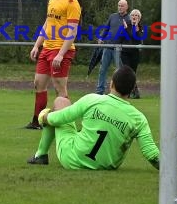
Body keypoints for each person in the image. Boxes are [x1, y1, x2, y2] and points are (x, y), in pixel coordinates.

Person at [27, 65, 160, 170]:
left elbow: (59, 119)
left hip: (73, 158)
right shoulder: (138, 118)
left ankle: (40, 155)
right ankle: (42, 154)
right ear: (132, 90)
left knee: (61, 101)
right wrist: (170, 167)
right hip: (106, 166)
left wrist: (44, 117)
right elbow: (151, 154)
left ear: (111, 84)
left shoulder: (92, 99)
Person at [25, 0, 84, 129]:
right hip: (47, 49)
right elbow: (47, 24)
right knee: (39, 83)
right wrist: (37, 44)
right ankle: (37, 121)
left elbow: (72, 32)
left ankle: (68, 125)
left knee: (60, 88)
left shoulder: (72, 3)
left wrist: (61, 54)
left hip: (61, 50)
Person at [95, 0, 131, 94]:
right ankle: (100, 90)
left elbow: (130, 34)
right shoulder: (112, 16)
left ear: (127, 7)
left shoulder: (129, 19)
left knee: (119, 71)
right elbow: (106, 28)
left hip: (119, 48)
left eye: (122, 6)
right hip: (108, 46)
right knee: (102, 69)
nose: (120, 7)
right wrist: (101, 37)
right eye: (119, 5)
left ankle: (118, 91)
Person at [120, 8, 143, 99]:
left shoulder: (141, 27)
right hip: (125, 53)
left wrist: (136, 28)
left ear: (139, 18)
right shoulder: (126, 25)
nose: (134, 17)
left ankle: (133, 91)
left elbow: (137, 39)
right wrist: (126, 29)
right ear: (130, 17)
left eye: (136, 15)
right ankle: (132, 91)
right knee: (128, 72)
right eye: (133, 15)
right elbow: (125, 38)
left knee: (133, 73)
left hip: (135, 53)